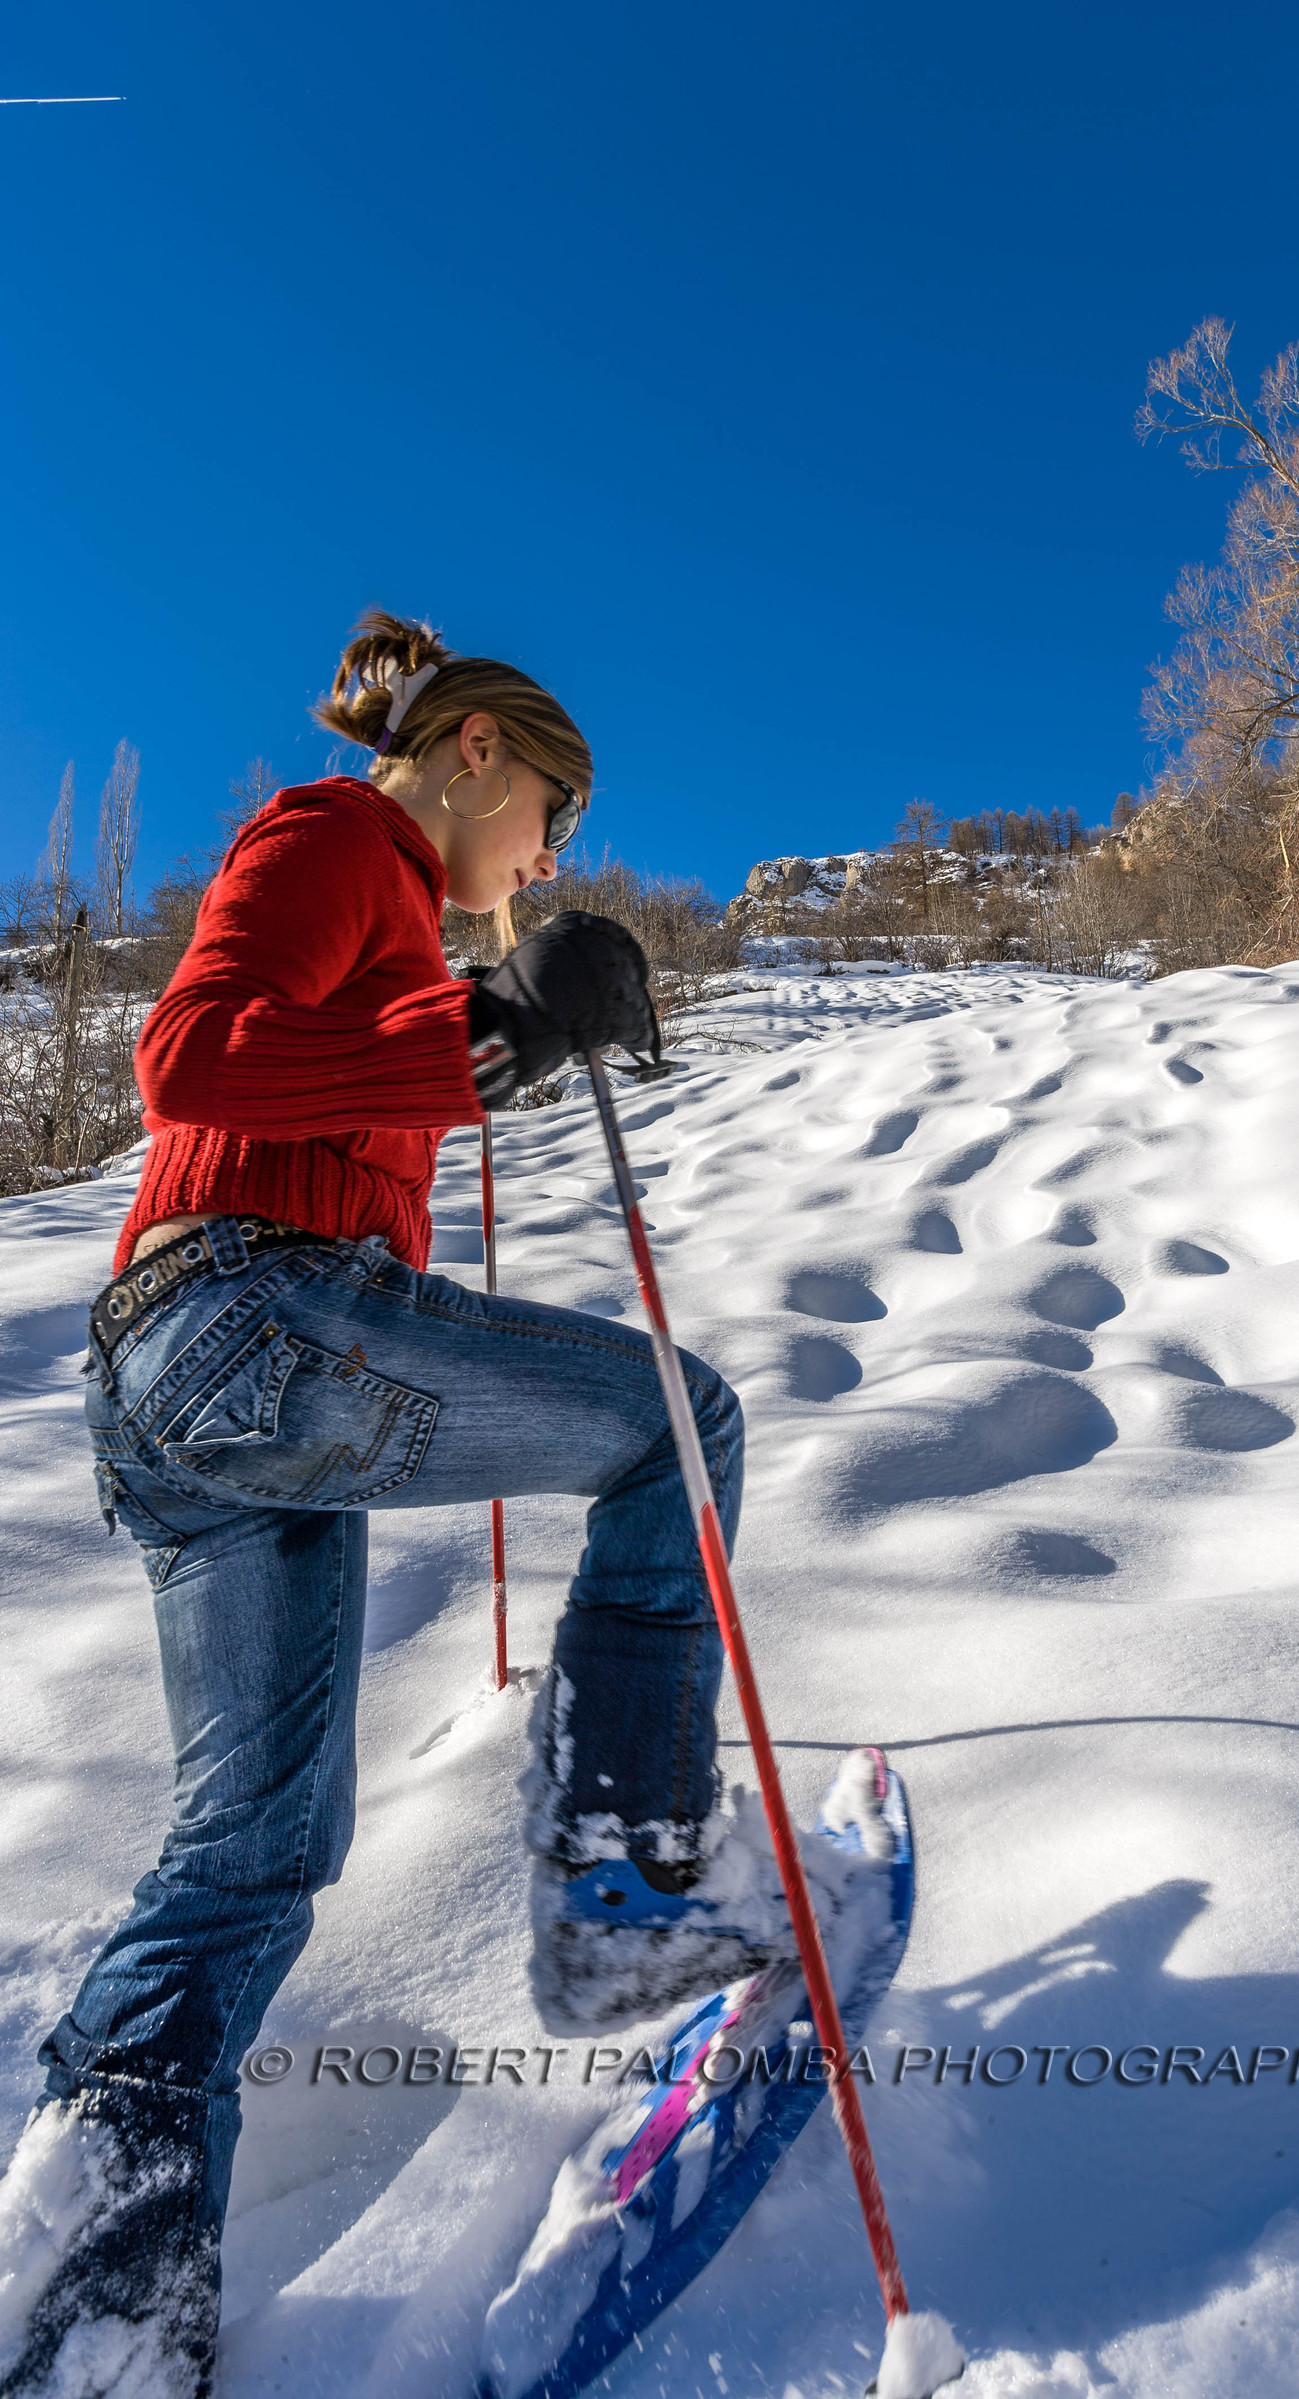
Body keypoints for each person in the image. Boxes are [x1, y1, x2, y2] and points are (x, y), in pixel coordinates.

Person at [0, 613, 875, 2399]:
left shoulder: (407, 924)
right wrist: (474, 1016)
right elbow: (190, 1058)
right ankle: (624, 1888)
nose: (550, 856)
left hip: (194, 1394)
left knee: (256, 1849)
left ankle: (104, 2271)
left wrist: (489, 1030)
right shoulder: (340, 837)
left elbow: (348, 1075)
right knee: (678, 1424)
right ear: (472, 749)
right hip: (247, 1318)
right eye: (551, 810)